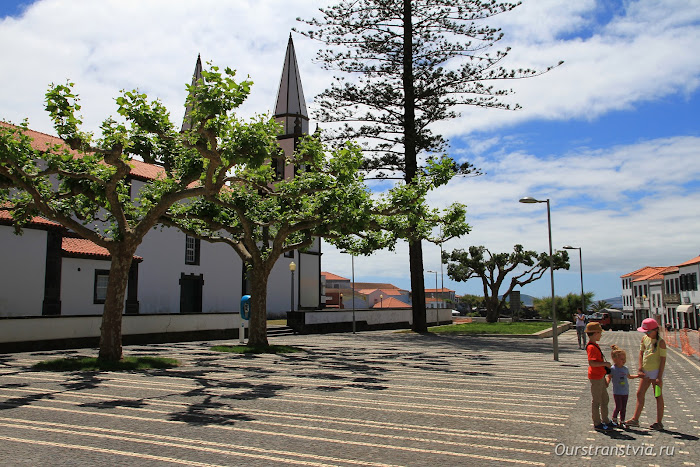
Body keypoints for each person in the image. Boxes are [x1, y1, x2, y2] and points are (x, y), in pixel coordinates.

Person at [625, 318, 667, 430]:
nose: (647, 334)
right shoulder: (644, 339)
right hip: (646, 372)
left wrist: (659, 377)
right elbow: (641, 353)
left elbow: (663, 360)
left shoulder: (661, 342)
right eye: (645, 332)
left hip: (656, 373)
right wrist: (640, 368)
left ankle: (659, 422)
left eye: (648, 332)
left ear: (655, 330)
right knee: (640, 393)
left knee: (657, 395)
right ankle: (635, 419)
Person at [585, 322, 613, 431]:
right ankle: (597, 422)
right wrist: (605, 364)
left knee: (604, 399)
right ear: (595, 333)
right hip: (595, 377)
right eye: (600, 333)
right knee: (596, 401)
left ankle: (605, 420)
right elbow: (592, 363)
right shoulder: (591, 347)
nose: (601, 335)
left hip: (600, 376)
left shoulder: (595, 345)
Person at [607, 345, 639, 427]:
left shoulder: (625, 368)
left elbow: (629, 376)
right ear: (615, 359)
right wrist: (606, 383)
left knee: (624, 407)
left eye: (624, 359)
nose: (624, 361)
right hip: (617, 391)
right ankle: (614, 418)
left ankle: (622, 420)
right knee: (618, 406)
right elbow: (609, 377)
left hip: (625, 391)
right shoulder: (613, 369)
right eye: (621, 359)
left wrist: (638, 376)